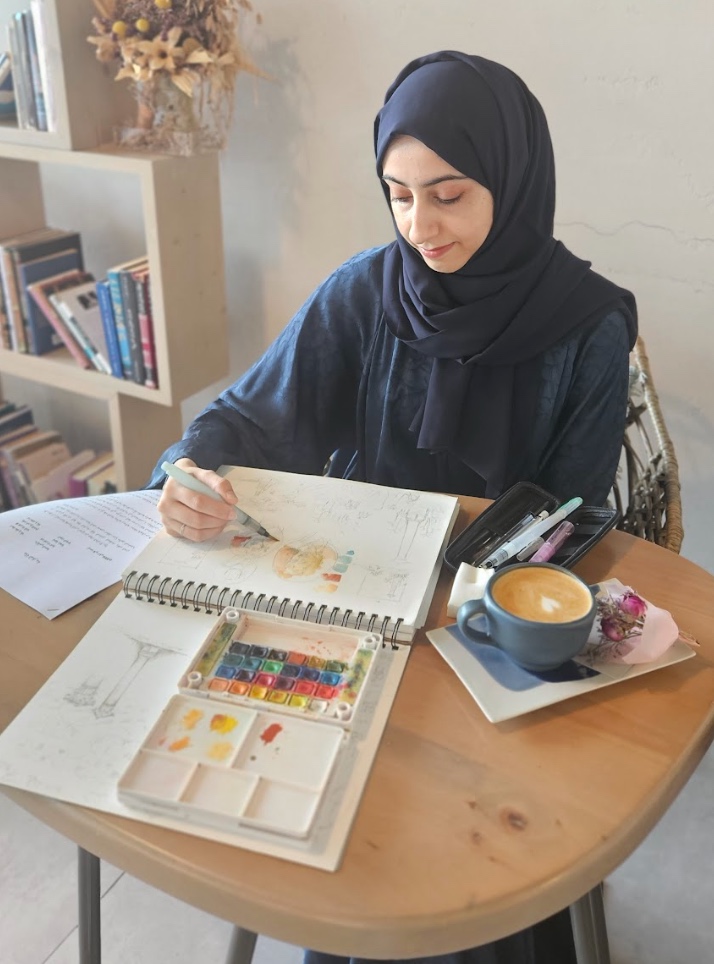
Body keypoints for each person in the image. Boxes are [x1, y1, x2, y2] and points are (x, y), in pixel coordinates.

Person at [150, 50, 637, 963]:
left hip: (493, 632)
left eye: (448, 195)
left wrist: (477, 597)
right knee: (340, 850)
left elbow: (571, 513)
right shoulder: (368, 290)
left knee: (467, 873)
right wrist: (189, 473)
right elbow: (249, 417)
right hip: (359, 611)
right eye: (398, 194)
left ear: (513, 181)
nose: (420, 226)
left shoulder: (589, 325)